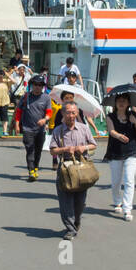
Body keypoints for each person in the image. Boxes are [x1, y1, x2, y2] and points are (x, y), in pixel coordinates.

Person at [49, 101, 97, 240]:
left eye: (74, 112)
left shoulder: (83, 128)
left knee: (80, 201)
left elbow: (93, 145)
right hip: (65, 168)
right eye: (68, 112)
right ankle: (70, 229)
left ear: (77, 113)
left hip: (82, 168)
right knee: (65, 201)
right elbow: (52, 150)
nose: (71, 115)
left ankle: (77, 221)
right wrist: (64, 149)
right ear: (63, 113)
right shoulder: (58, 130)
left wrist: (84, 148)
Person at [104, 91, 136, 220]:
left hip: (131, 152)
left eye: (124, 101)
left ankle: (127, 209)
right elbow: (111, 131)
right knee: (116, 181)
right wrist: (119, 136)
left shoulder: (133, 115)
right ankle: (117, 202)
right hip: (116, 152)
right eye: (119, 100)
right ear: (115, 103)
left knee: (129, 180)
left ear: (128, 103)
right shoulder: (110, 116)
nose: (121, 102)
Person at [20, 75, 50, 181]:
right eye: (36, 85)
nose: (37, 87)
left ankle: (36, 167)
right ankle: (31, 171)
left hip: (40, 130)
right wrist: (17, 123)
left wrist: (45, 119)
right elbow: (19, 110)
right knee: (30, 150)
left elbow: (49, 112)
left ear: (42, 87)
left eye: (40, 85)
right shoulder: (25, 96)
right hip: (27, 129)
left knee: (38, 151)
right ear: (32, 85)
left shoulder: (46, 98)